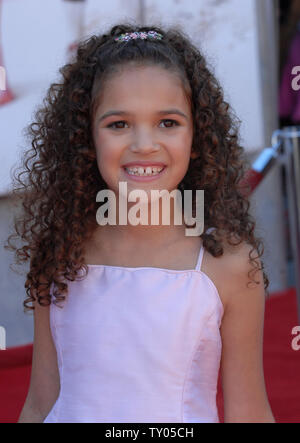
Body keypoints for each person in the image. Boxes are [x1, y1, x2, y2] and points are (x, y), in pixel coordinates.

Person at [7, 23, 275, 423]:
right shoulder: (60, 252)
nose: (145, 144)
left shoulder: (231, 265)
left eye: (168, 122)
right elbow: (41, 401)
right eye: (119, 124)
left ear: (197, 134)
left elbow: (248, 412)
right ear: (85, 138)